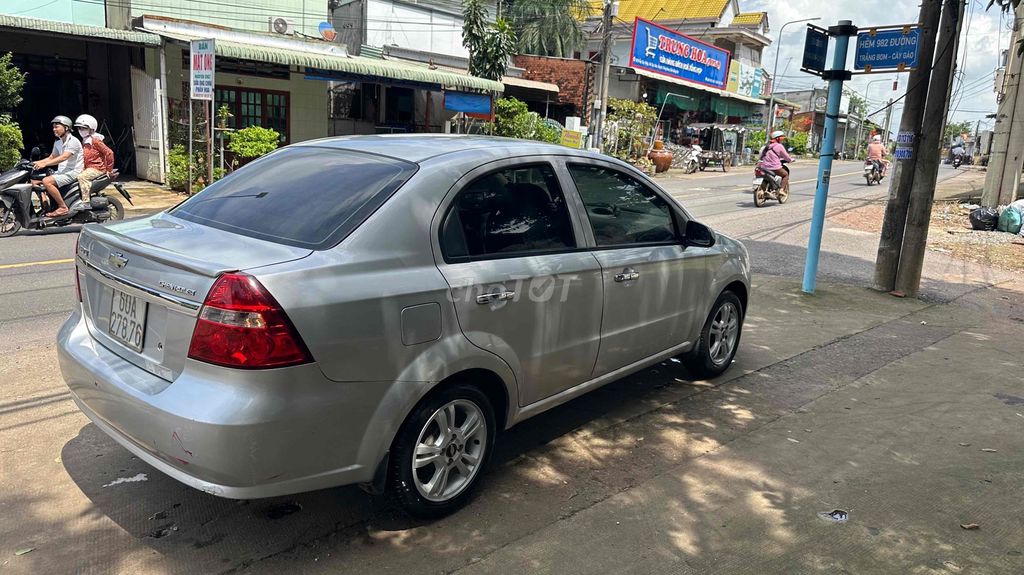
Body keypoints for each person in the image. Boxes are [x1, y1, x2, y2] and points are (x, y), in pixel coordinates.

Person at [32, 115, 83, 217]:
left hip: (73, 172)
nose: (54, 129)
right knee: (33, 182)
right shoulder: (58, 142)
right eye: (53, 127)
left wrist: (44, 164)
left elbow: (64, 157)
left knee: (47, 181)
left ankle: (63, 207)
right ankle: (45, 206)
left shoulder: (73, 141)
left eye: (57, 127)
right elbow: (51, 157)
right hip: (62, 171)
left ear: (66, 128)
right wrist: (35, 163)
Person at [74, 114, 114, 194]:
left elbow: (109, 153)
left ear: (91, 129)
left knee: (82, 177)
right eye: (79, 128)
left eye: (83, 128)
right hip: (87, 168)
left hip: (97, 168)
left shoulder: (95, 140)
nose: (80, 130)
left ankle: (86, 202)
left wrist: (109, 169)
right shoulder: (84, 141)